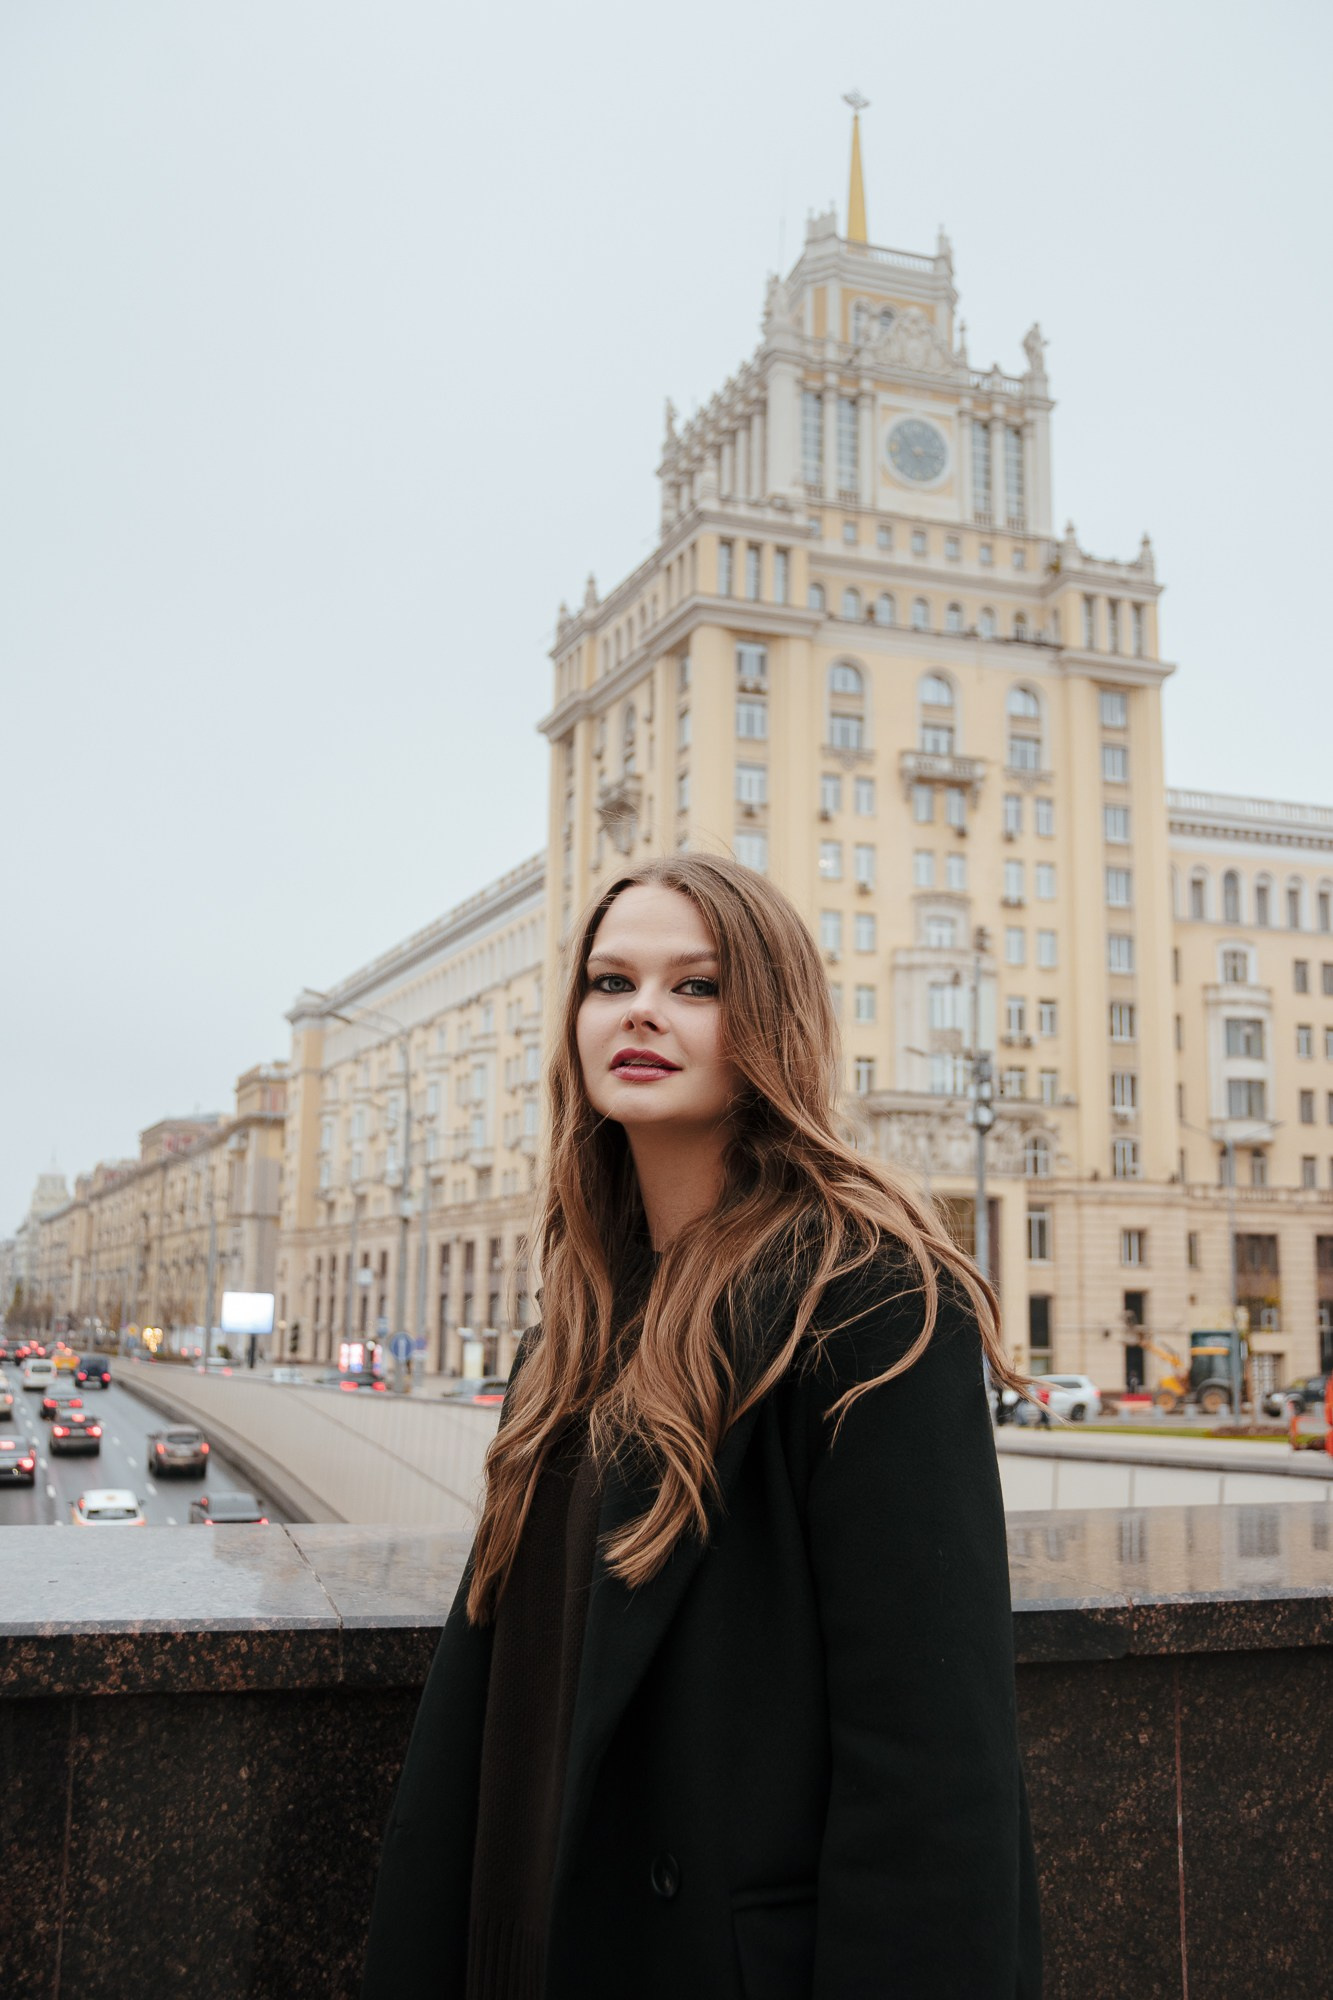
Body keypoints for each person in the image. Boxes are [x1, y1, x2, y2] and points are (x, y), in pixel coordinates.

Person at [362, 855, 1042, 1999]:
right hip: (518, 1939)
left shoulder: (870, 1303)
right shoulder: (570, 1326)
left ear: (770, 1023)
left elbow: (931, 1761)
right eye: (610, 980)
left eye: (695, 984)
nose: (640, 1009)